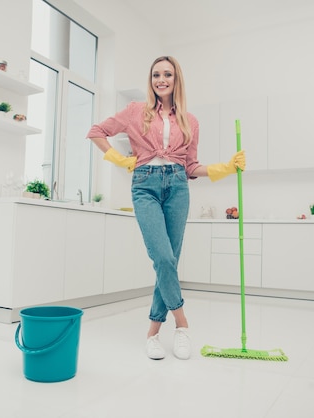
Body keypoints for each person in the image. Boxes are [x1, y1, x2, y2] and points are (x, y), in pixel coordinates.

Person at [87, 56, 245, 360]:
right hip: (145, 186)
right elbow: (96, 131)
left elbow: (191, 166)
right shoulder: (135, 112)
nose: (161, 79)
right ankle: (183, 325)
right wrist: (119, 159)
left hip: (177, 188)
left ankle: (152, 334)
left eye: (168, 74)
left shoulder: (190, 121)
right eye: (156, 74)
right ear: (151, 80)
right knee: (162, 256)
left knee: (169, 261)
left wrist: (226, 168)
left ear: (176, 80)